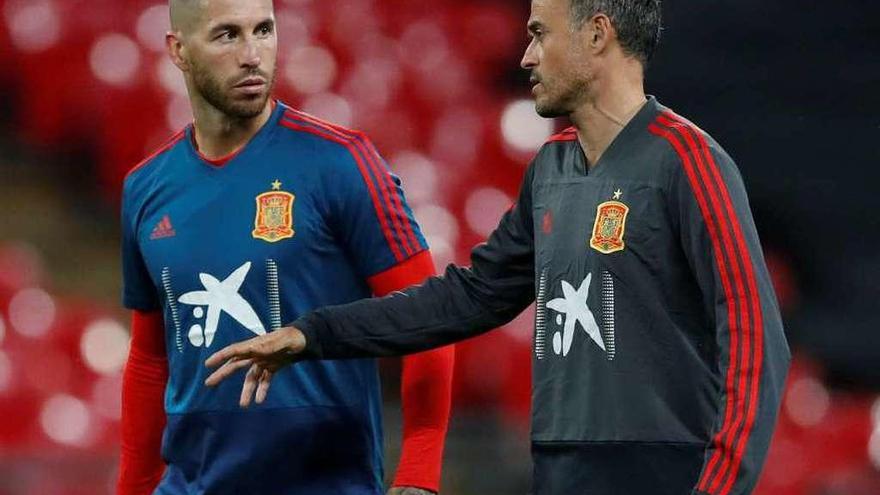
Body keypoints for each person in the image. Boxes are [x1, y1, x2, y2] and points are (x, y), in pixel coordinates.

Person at [205, 0, 792, 494]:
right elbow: (470, 298)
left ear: (596, 34)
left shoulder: (688, 162)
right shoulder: (552, 167)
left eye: (539, 35)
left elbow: (754, 340)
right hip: (558, 469)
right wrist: (315, 334)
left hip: (661, 472)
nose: (525, 56)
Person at [117, 0, 454, 494]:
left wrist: (420, 472)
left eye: (264, 30)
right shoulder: (146, 189)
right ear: (179, 50)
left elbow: (430, 316)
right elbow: (149, 359)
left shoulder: (342, 164)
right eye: (227, 35)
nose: (253, 54)